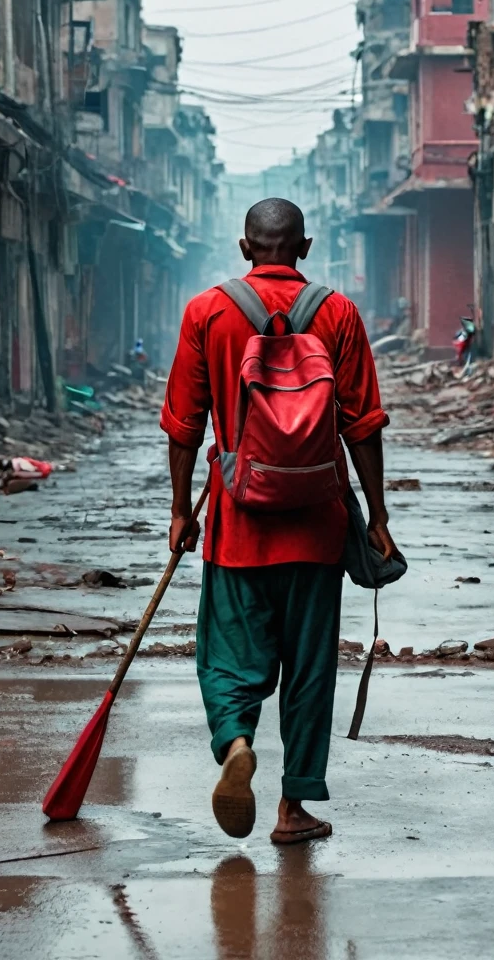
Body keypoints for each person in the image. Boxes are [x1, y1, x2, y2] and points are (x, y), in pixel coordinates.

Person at [161, 198, 398, 844]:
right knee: (310, 669)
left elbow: (184, 425)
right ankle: (293, 809)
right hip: (318, 528)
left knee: (225, 656)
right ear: (307, 246)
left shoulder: (207, 312)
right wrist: (377, 516)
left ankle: (236, 740)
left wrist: (182, 510)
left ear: (245, 248)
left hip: (238, 526)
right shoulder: (339, 314)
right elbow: (364, 427)